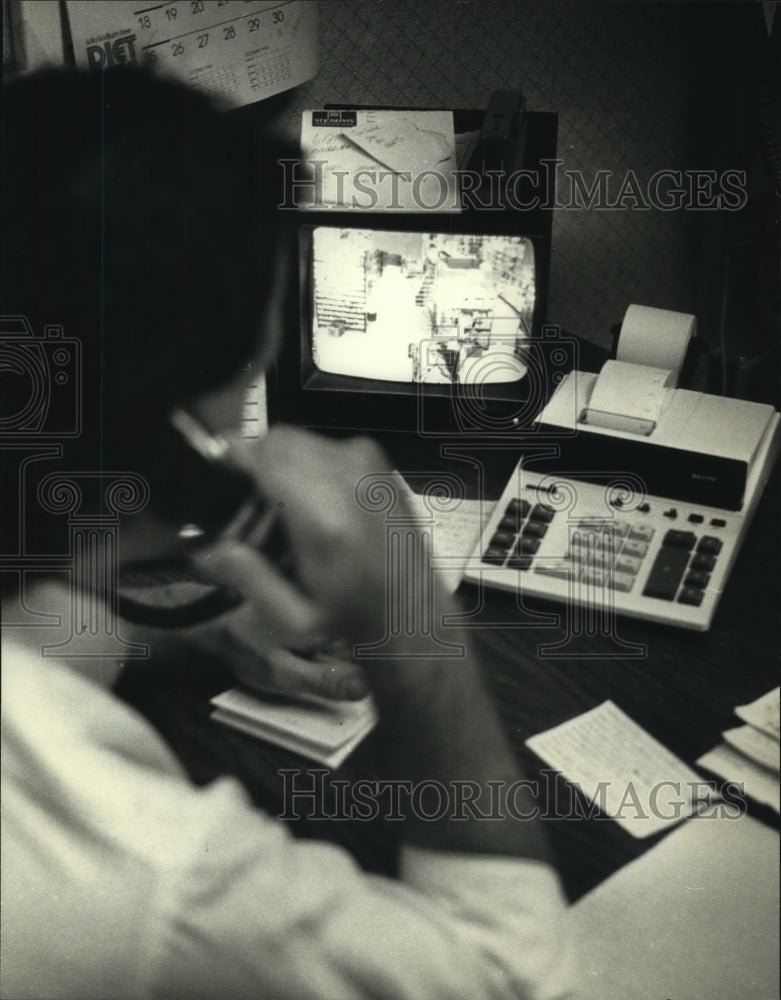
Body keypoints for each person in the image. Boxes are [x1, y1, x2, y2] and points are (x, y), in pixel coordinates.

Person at [1, 67, 572, 999]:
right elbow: (505, 974)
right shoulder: (148, 867)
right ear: (192, 412)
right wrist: (410, 611)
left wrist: (197, 640)